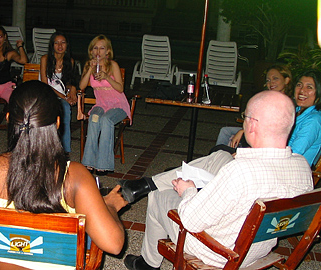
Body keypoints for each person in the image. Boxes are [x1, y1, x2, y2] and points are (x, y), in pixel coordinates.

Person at [124, 90, 313, 270]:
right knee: (221, 156)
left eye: (245, 117)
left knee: (158, 196)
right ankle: (149, 182)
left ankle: (148, 263)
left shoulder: (239, 172)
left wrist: (188, 191)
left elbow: (191, 220)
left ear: (253, 124)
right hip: (260, 246)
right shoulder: (303, 166)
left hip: (219, 251)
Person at [0, 81, 127, 270]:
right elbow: (114, 245)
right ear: (57, 123)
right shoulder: (75, 175)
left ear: (9, 118)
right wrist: (110, 206)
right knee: (91, 223)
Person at [120, 72, 321, 204]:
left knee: (219, 155)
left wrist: (245, 155)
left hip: (274, 175)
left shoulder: (313, 121)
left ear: (319, 93)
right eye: (300, 85)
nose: (302, 90)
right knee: (219, 155)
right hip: (269, 167)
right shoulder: (298, 111)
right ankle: (155, 182)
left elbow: (289, 154)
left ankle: (157, 183)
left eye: (309, 87)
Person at [79, 35, 130, 175]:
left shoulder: (112, 65)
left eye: (102, 48)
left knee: (106, 120)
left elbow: (120, 88)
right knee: (94, 118)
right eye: (95, 48)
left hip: (118, 105)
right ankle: (89, 163)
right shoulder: (90, 65)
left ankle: (104, 165)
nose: (98, 51)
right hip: (101, 104)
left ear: (107, 51)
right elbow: (82, 86)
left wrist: (107, 77)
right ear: (91, 50)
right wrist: (90, 69)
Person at [216, 64, 292, 148]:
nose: (271, 83)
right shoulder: (267, 97)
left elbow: (269, 128)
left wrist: (243, 131)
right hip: (254, 127)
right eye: (268, 80)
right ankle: (217, 156)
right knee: (225, 131)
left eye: (275, 78)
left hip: (266, 136)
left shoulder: (285, 103)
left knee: (230, 139)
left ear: (286, 80)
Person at [40, 32, 78, 153]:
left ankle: (65, 151)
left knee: (66, 109)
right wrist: (64, 96)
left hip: (62, 97)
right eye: (56, 43)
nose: (60, 46)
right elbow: (45, 85)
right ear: (52, 45)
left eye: (63, 42)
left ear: (67, 45)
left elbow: (68, 81)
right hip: (45, 94)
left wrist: (72, 90)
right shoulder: (45, 59)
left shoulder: (70, 61)